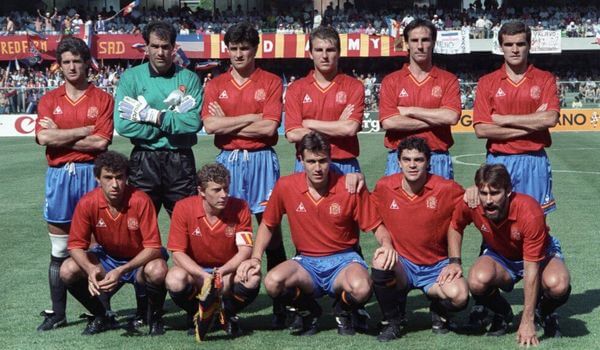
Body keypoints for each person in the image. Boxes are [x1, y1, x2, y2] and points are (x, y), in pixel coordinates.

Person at [237, 132, 396, 336]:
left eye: (322, 160)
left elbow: (377, 226)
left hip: (344, 260)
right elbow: (268, 225)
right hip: (306, 262)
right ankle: (309, 310)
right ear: (300, 160)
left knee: (362, 288)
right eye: (311, 161)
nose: (318, 168)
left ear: (330, 158)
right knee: (272, 282)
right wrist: (256, 258)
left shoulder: (349, 186)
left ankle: (342, 309)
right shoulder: (286, 186)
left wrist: (386, 244)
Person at [201, 22, 288, 328]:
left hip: (262, 159)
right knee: (229, 230)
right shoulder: (215, 84)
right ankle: (225, 301)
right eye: (233, 48)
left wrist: (231, 121)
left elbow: (269, 127)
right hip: (229, 161)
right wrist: (252, 116)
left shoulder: (271, 81)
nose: (238, 54)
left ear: (255, 49)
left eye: (244, 48)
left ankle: (282, 303)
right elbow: (210, 127)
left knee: (271, 230)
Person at [35, 36, 114, 331]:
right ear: (59, 65)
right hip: (58, 177)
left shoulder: (103, 99)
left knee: (92, 247)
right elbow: (44, 138)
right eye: (66, 62)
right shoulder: (49, 100)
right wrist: (82, 130)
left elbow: (101, 141)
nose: (71, 67)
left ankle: (102, 312)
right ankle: (58, 313)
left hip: (90, 174)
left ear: (86, 63)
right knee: (59, 249)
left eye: (76, 61)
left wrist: (62, 134)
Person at [450, 164, 571, 345]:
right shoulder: (472, 203)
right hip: (500, 254)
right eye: (483, 193)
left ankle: (542, 313)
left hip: (541, 254)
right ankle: (503, 312)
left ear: (508, 191)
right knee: (477, 280)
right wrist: (454, 261)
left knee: (558, 284)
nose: (488, 200)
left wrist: (527, 320)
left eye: (495, 193)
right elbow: (455, 226)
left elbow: (530, 270)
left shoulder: (529, 211)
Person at [59, 151, 169, 335]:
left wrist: (122, 270)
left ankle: (152, 316)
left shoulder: (141, 200)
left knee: (157, 270)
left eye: (119, 178)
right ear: (97, 178)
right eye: (108, 178)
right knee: (67, 270)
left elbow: (153, 247)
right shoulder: (87, 203)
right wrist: (90, 269)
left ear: (127, 178)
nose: (115, 184)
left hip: (139, 259)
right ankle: (101, 315)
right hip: (108, 258)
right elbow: (75, 245)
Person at [371, 137, 468, 342]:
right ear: (398, 162)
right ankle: (394, 321)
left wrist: (454, 261)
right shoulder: (384, 186)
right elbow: (371, 218)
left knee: (459, 296)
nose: (412, 165)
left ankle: (437, 308)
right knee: (380, 260)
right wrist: (386, 243)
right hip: (403, 264)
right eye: (407, 159)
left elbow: (468, 207)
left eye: (418, 159)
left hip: (435, 266)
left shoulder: (446, 188)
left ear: (428, 162)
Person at [115, 20, 203, 217]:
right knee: (137, 225)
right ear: (146, 47)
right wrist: (169, 123)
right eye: (155, 46)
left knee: (187, 224)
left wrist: (152, 116)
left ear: (173, 48)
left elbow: (194, 122)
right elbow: (123, 126)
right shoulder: (131, 78)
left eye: (165, 47)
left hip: (180, 159)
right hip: (144, 160)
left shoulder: (189, 79)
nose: (160, 52)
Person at [473, 21, 559, 215]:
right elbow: (482, 130)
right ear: (500, 47)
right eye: (509, 44)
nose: (514, 50)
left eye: (520, 44)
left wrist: (503, 119)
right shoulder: (487, 82)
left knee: (535, 219)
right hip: (499, 161)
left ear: (529, 45)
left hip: (533, 159)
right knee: (496, 219)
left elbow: (550, 119)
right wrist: (534, 123)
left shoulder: (545, 79)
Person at [165, 163, 260, 339]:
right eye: (216, 190)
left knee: (252, 277)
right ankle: (197, 314)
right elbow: (177, 253)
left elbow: (245, 250)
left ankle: (227, 314)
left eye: (226, 188)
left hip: (226, 269)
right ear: (201, 191)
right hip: (197, 271)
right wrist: (202, 275)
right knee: (174, 279)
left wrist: (223, 271)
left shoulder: (240, 207)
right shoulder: (183, 207)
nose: (224, 195)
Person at [378, 19, 461, 179]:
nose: (420, 46)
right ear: (407, 44)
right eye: (414, 40)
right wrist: (436, 120)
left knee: (441, 205)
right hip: (399, 158)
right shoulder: (391, 80)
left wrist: (410, 111)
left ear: (433, 43)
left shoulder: (448, 79)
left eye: (425, 40)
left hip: (437, 157)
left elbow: (451, 117)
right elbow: (389, 122)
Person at [284, 26, 365, 174]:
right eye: (319, 50)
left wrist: (308, 123)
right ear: (310, 54)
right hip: (308, 165)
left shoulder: (354, 86)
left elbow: (349, 129)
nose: (325, 55)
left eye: (330, 50)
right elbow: (293, 134)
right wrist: (338, 126)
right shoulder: (296, 89)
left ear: (339, 53)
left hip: (344, 163)